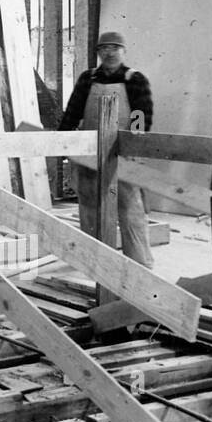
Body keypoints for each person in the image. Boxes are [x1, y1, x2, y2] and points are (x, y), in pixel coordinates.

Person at [59, 30, 154, 269]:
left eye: (115, 48)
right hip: (89, 152)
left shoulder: (135, 79)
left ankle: (140, 263)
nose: (109, 53)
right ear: (98, 53)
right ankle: (93, 260)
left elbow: (142, 116)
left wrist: (134, 146)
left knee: (129, 207)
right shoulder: (87, 79)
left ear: (124, 51)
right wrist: (62, 141)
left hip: (122, 153)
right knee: (89, 206)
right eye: (104, 48)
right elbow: (73, 112)